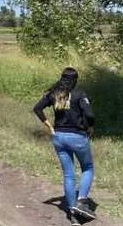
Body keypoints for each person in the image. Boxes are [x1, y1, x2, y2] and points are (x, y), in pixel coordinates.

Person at [33, 67, 96, 225]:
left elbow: (37, 108)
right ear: (75, 80)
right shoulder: (79, 94)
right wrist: (90, 127)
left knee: (69, 174)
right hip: (77, 137)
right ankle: (82, 201)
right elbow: (89, 114)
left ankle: (73, 213)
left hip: (59, 137)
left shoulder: (56, 94)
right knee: (87, 168)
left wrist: (50, 126)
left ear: (62, 78)